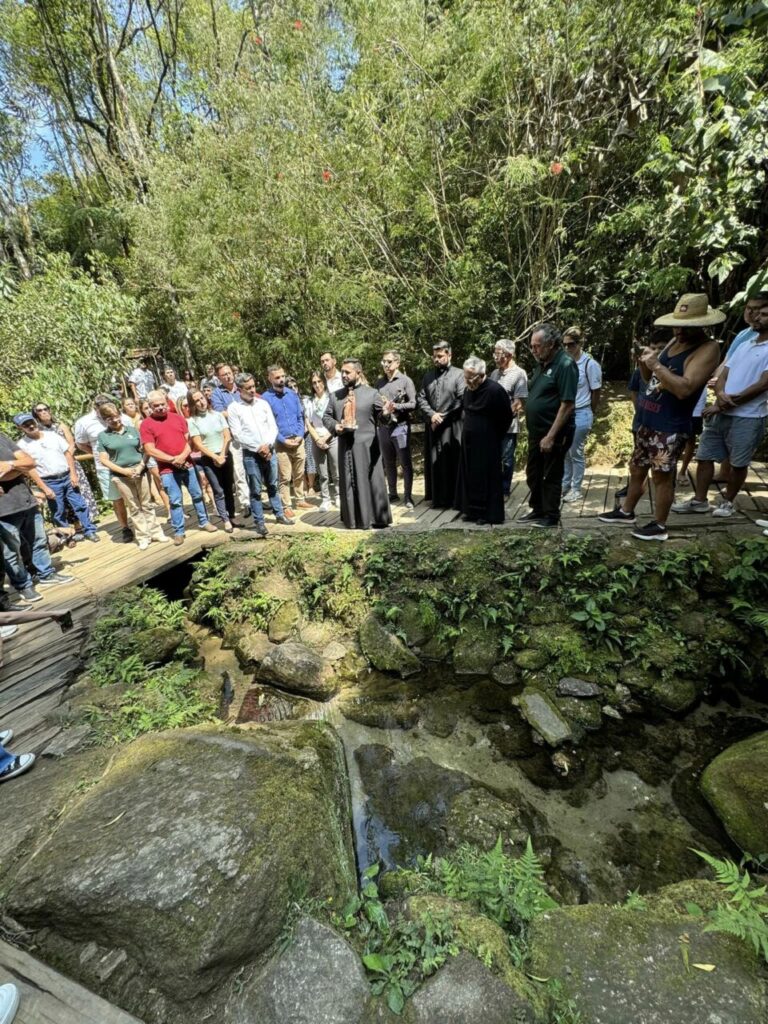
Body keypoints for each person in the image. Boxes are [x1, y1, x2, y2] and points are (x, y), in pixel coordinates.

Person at [599, 293, 722, 541]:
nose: (680, 330)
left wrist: (656, 365)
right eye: (677, 324)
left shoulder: (708, 348)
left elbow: (685, 388)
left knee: (662, 476)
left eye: (687, 326)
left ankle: (659, 525)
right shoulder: (672, 343)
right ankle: (626, 511)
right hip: (648, 420)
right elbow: (650, 381)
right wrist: (645, 363)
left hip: (670, 426)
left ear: (702, 324)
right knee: (636, 469)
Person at [671, 292, 768, 518]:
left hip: (749, 415)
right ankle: (699, 500)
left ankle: (727, 502)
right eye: (755, 313)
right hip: (722, 409)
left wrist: (724, 404)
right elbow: (724, 372)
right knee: (704, 456)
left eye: (764, 314)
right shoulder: (747, 341)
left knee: (738, 463)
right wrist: (721, 393)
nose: (757, 317)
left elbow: (763, 384)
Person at [0, 431, 75, 601]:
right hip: (4, 510)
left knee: (38, 541)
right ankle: (23, 585)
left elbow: (29, 462)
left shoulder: (2, 437)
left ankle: (46, 573)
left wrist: (11, 465)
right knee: (12, 552)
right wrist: (18, 468)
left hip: (26, 500)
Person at [139, 390, 218, 546]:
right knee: (175, 501)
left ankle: (204, 521)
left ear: (167, 402)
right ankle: (179, 531)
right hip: (167, 469)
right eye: (156, 406)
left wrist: (182, 456)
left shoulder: (178, 419)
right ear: (150, 406)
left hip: (187, 464)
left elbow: (190, 440)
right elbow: (149, 449)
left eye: (163, 404)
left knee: (197, 494)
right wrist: (172, 460)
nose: (160, 408)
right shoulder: (146, 425)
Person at [323, 359, 392, 530]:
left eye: (348, 372)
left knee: (370, 481)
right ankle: (352, 520)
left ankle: (375, 518)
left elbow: (383, 419)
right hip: (345, 447)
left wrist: (386, 413)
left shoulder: (372, 393)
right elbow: (326, 417)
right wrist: (335, 426)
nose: (344, 375)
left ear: (358, 373)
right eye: (343, 372)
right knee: (348, 482)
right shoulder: (335, 396)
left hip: (367, 448)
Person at [520, 323, 578, 528]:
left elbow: (568, 404)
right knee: (533, 472)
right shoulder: (542, 363)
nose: (533, 350)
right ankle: (538, 509)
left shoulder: (565, 364)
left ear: (551, 344)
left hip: (554, 432)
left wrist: (551, 436)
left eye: (537, 346)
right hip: (537, 432)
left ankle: (551, 515)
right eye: (532, 346)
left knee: (550, 474)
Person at [15, 413, 99, 542]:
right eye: (26, 425)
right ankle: (66, 536)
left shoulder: (52, 435)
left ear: (35, 421)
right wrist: (43, 487)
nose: (30, 426)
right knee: (58, 511)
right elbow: (29, 469)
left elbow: (67, 454)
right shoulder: (22, 445)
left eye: (31, 422)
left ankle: (90, 530)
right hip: (49, 481)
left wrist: (73, 474)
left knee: (79, 504)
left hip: (66, 475)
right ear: (20, 428)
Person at [228, 373, 294, 537]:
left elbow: (273, 427)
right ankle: (259, 522)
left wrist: (268, 445)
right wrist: (258, 447)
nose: (252, 390)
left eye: (253, 386)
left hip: (269, 450)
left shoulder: (263, 404)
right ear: (239, 389)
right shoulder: (234, 408)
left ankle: (279, 514)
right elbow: (237, 435)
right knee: (256, 490)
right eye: (248, 388)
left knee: (273, 484)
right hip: (251, 454)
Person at [97, 403, 169, 550]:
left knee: (147, 503)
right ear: (105, 420)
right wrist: (124, 472)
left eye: (117, 416)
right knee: (134, 506)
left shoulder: (133, 430)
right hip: (121, 475)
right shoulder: (103, 436)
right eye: (110, 418)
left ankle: (156, 532)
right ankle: (143, 536)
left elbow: (146, 450)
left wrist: (141, 466)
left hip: (140, 471)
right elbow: (104, 460)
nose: (116, 420)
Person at [454, 357, 513, 525]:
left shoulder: (495, 390)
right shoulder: (468, 389)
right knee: (469, 475)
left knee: (486, 477)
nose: (467, 381)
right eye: (465, 377)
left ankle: (487, 514)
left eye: (470, 378)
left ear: (481, 375)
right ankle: (470, 510)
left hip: (487, 442)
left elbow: (506, 417)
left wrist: (493, 436)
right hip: (469, 441)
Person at [74, 395, 135, 542]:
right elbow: (81, 444)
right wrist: (100, 455)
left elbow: (133, 436)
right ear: (95, 408)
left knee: (134, 496)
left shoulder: (124, 418)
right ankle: (125, 528)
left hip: (127, 464)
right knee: (117, 498)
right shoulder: (84, 422)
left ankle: (142, 525)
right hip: (105, 468)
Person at [416, 343, 466, 508]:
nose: (436, 359)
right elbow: (421, 398)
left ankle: (455, 499)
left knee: (453, 461)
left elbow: (461, 399)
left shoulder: (459, 375)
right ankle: (438, 499)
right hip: (434, 427)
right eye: (434, 356)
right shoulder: (428, 376)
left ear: (449, 355)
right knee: (435, 460)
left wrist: (442, 417)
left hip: (453, 426)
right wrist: (432, 415)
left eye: (440, 356)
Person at [32, 400, 99, 522]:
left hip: (70, 464)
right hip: (53, 469)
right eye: (39, 410)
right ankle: (74, 526)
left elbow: (71, 445)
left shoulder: (61, 426)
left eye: (45, 408)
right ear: (35, 414)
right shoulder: (37, 431)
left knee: (80, 492)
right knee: (62, 499)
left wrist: (65, 458)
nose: (44, 412)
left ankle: (88, 522)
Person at [262, 365, 311, 516]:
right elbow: (268, 424)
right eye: (277, 377)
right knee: (284, 475)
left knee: (299, 472)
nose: (281, 380)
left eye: (282, 376)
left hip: (298, 440)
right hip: (280, 443)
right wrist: (283, 440)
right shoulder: (265, 399)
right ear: (269, 378)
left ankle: (300, 499)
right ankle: (286, 506)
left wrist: (299, 435)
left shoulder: (292, 394)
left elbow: (299, 417)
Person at [561, 327, 603, 503]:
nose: (567, 348)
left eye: (571, 345)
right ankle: (565, 484)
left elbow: (596, 391)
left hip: (581, 411)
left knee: (575, 451)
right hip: (566, 413)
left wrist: (590, 412)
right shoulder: (565, 363)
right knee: (565, 451)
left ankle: (576, 488)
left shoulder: (590, 364)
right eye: (564, 345)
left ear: (579, 344)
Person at [188, 389, 236, 533]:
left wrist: (222, 455)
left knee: (229, 487)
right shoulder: (192, 421)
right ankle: (225, 519)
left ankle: (232, 515)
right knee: (218, 490)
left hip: (225, 454)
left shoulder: (218, 415)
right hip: (209, 458)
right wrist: (215, 458)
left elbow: (227, 436)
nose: (201, 402)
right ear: (193, 404)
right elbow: (198, 444)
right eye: (196, 400)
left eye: (202, 398)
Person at [376, 350, 417, 509]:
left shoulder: (406, 381)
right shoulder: (379, 383)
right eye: (384, 361)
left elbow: (413, 404)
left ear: (397, 363)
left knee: (405, 462)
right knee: (388, 462)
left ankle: (408, 496)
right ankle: (392, 493)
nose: (386, 364)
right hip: (384, 428)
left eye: (389, 361)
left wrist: (396, 406)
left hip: (400, 427)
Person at [210, 363, 251, 516]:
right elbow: (221, 413)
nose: (228, 376)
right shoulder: (217, 393)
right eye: (223, 374)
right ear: (219, 377)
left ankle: (256, 499)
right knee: (239, 471)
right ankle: (245, 502)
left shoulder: (241, 388)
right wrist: (240, 412)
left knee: (253, 469)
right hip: (233, 438)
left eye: (229, 373)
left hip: (250, 434)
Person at [489, 338, 528, 497]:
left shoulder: (519, 374)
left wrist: (502, 417)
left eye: (498, 354)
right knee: (492, 457)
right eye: (495, 353)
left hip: (508, 425)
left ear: (509, 355)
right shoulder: (494, 373)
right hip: (491, 425)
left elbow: (519, 402)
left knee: (506, 459)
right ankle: (494, 487)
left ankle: (504, 490)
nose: (495, 357)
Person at [304, 372, 339, 512]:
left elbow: (337, 419)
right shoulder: (309, 402)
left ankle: (338, 496)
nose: (317, 385)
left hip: (332, 437)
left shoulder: (332, 398)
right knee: (322, 473)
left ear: (324, 382)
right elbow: (308, 422)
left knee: (336, 470)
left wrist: (327, 437)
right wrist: (317, 439)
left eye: (319, 381)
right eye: (314, 382)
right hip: (316, 439)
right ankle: (325, 498)